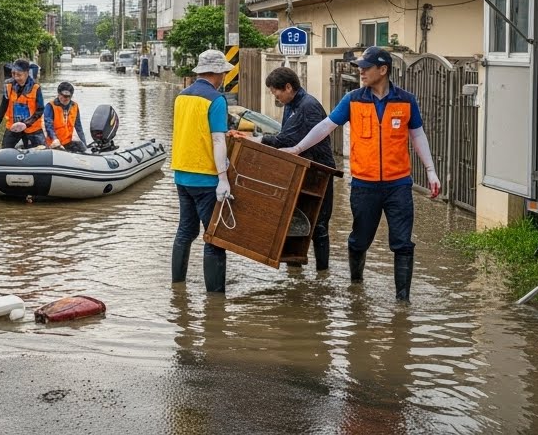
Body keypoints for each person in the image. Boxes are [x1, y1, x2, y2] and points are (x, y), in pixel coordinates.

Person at [278, 46, 441, 301]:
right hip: (364, 185)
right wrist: (298, 149)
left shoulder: (406, 101)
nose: (361, 72)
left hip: (398, 184)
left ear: (383, 69)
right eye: (360, 68)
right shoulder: (353, 99)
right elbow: (326, 126)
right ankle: (357, 286)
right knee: (359, 240)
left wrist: (431, 171)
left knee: (402, 243)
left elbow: (417, 134)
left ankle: (403, 301)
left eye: (366, 68)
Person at [229, 66, 336, 271]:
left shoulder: (308, 106)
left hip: (319, 172)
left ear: (288, 87)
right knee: (293, 219)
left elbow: (288, 139)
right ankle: (295, 268)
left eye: (275, 91)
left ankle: (323, 274)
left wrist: (256, 139)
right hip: (298, 168)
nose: (274, 96)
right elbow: (285, 136)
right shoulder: (290, 105)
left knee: (319, 225)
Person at [171, 49, 235, 293]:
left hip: (181, 174)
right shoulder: (216, 100)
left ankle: (177, 286)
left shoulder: (181, 97)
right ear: (218, 73)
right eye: (224, 73)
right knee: (214, 236)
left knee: (186, 231)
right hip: (206, 178)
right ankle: (215, 300)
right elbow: (218, 140)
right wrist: (223, 178)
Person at [0, 58, 46, 150]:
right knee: (5, 151)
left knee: (42, 152)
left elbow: (40, 110)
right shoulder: (8, 86)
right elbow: (3, 106)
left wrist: (26, 124)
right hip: (13, 127)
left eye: (19, 75)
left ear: (27, 73)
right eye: (13, 74)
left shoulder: (35, 88)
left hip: (32, 128)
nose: (16, 77)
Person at [43, 81, 88, 152]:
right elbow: (48, 125)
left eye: (68, 97)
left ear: (71, 96)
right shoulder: (50, 106)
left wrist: (85, 145)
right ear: (58, 94)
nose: (65, 99)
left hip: (67, 142)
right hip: (54, 143)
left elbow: (79, 127)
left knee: (83, 148)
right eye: (63, 96)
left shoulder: (75, 106)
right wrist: (55, 139)